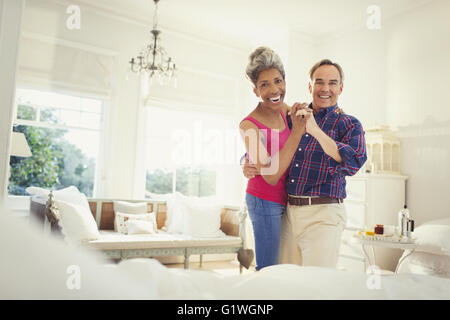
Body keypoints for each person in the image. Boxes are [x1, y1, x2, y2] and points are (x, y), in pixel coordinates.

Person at [243, 59, 367, 268]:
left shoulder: (349, 123)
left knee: (317, 283)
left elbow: (353, 162)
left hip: (324, 214)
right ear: (310, 86)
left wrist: (315, 130)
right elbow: (274, 147)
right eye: (319, 82)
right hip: (289, 211)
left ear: (340, 88)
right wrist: (246, 161)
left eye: (332, 83)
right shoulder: (293, 116)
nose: (325, 89)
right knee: (285, 281)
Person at [239, 47, 310, 271]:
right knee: (268, 267)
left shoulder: (283, 111)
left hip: (288, 198)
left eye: (277, 81)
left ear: (285, 81)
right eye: (264, 85)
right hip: (264, 199)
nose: (273, 90)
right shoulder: (248, 125)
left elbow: (306, 121)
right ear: (255, 90)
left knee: (286, 264)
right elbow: (269, 175)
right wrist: (297, 132)